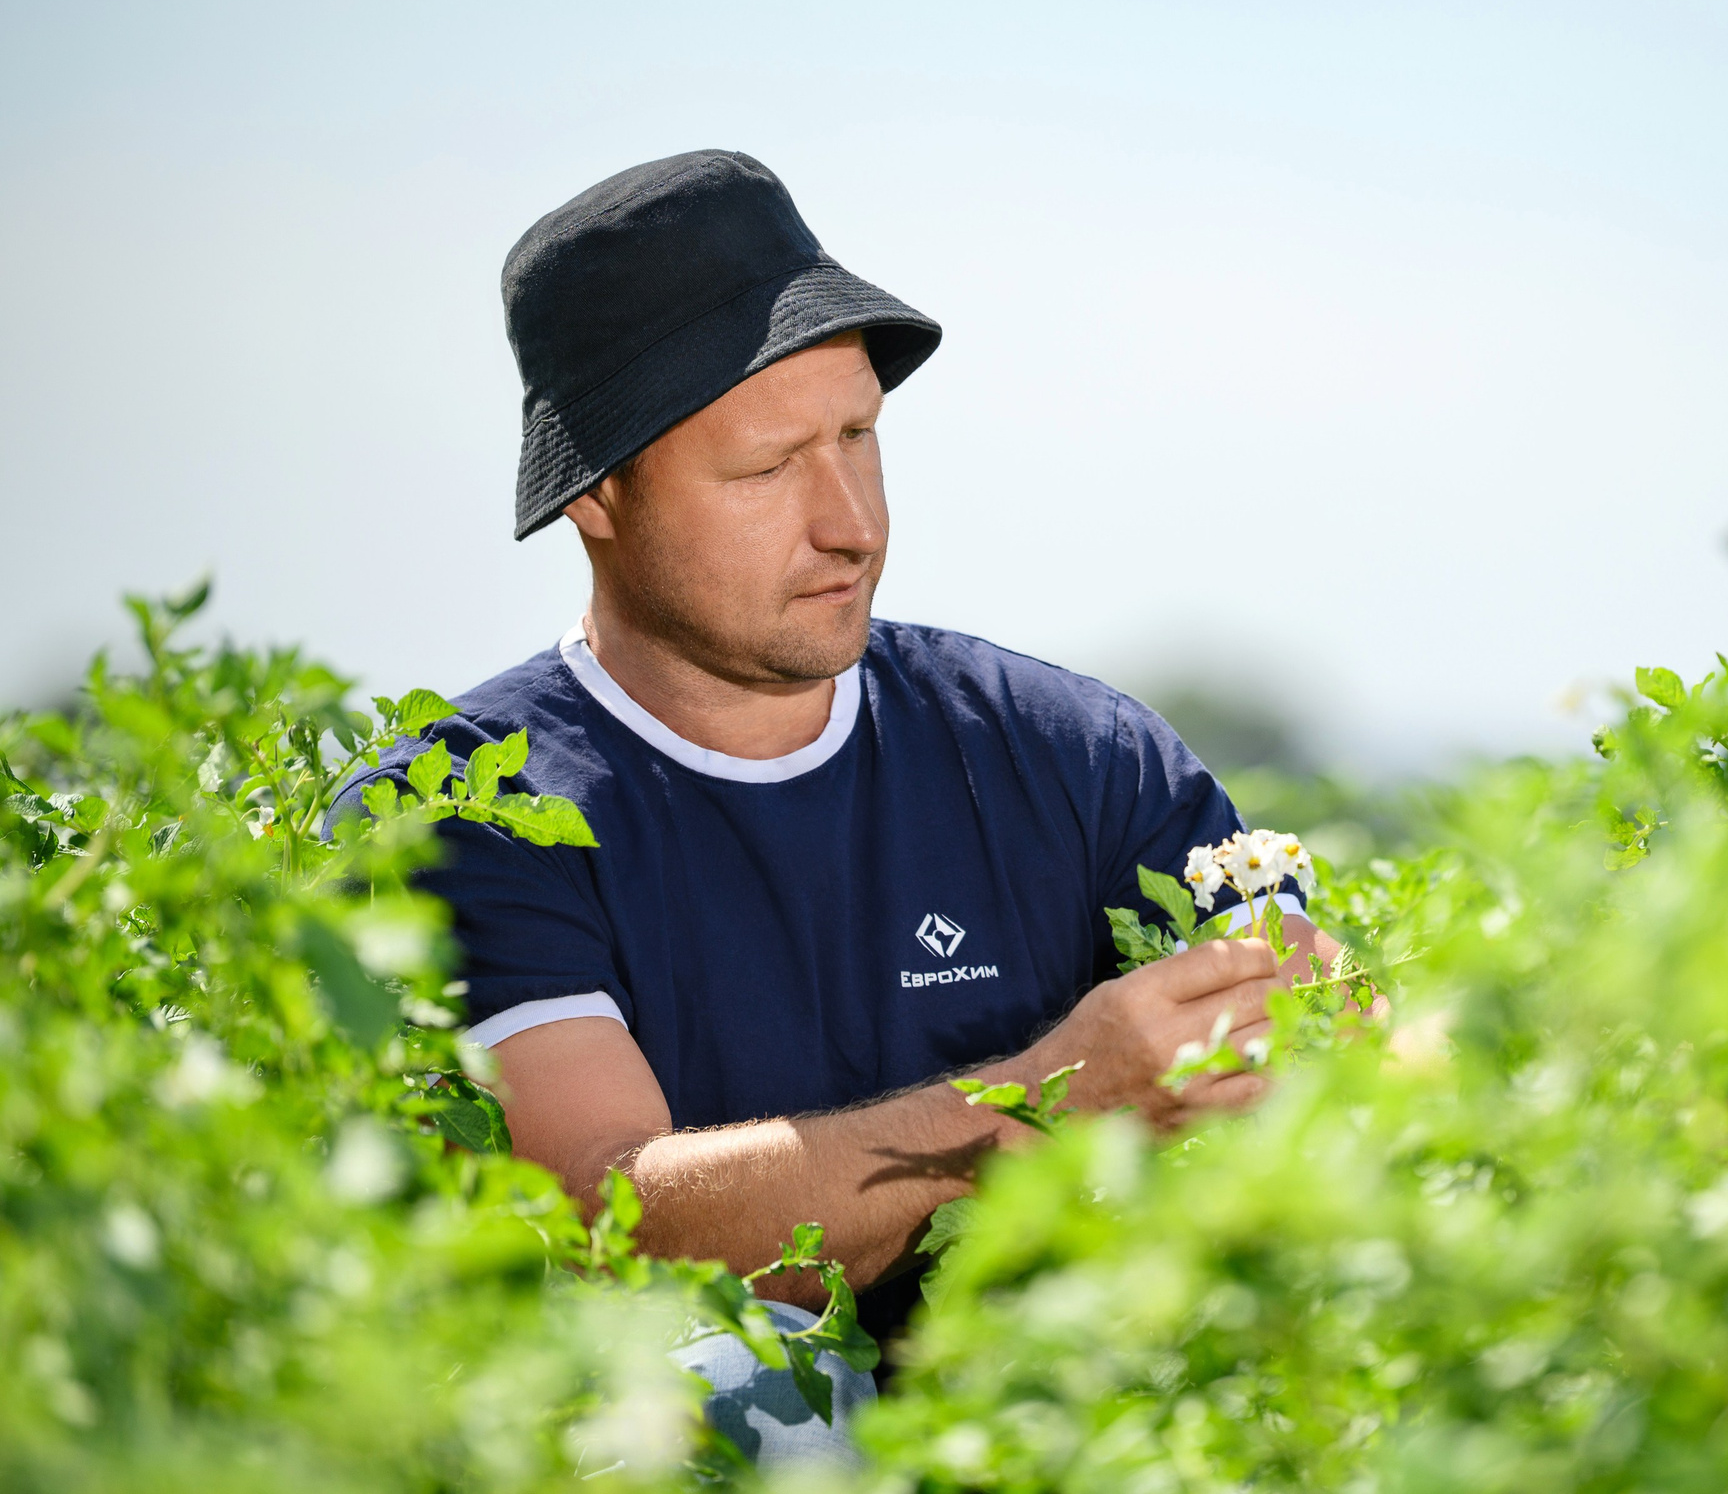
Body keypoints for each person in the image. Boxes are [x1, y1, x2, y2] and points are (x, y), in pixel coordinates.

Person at [341, 150, 1331, 1468]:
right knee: (733, 1381)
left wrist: (1319, 1013)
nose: (850, 522)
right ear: (600, 495)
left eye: (860, 438)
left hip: (1064, 1424)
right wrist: (1047, 1100)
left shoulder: (1074, 752)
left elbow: (1310, 1010)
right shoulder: (463, 805)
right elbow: (600, 1220)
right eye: (765, 471)